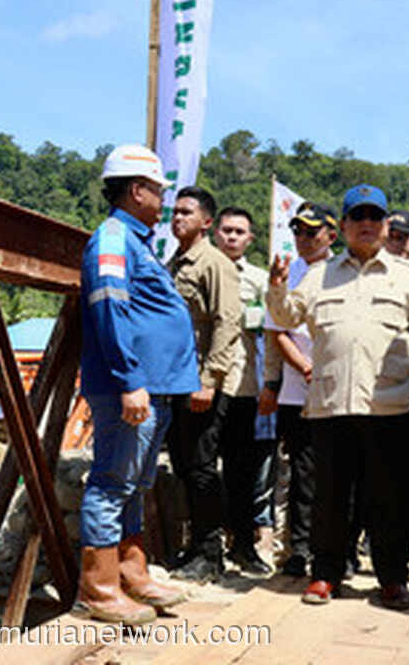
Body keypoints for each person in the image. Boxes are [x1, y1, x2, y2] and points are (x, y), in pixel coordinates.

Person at [268, 184, 409, 611]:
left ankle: (392, 579)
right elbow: (286, 316)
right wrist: (276, 287)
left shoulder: (408, 275)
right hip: (331, 404)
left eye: (374, 217)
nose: (366, 224)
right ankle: (326, 575)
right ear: (344, 226)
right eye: (358, 217)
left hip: (392, 405)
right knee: (329, 497)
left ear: (385, 225)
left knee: (390, 498)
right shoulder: (320, 274)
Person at [75, 143, 194, 624]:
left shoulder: (135, 241)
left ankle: (131, 573)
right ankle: (99, 589)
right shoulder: (112, 238)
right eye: (158, 192)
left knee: (135, 483)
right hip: (130, 385)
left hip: (151, 385)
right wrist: (129, 379)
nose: (164, 201)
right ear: (137, 190)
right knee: (111, 482)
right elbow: (108, 307)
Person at [166, 185, 245, 583]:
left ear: (206, 222)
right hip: (176, 380)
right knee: (184, 465)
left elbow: (227, 322)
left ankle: (211, 554)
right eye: (175, 211)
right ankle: (197, 546)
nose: (177, 218)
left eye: (186, 212)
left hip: (202, 380)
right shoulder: (173, 263)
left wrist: (209, 379)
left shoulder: (214, 263)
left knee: (201, 467)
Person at [260, 202, 336, 578]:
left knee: (336, 471)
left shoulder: (343, 271)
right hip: (297, 388)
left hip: (336, 387)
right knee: (301, 472)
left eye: (312, 232)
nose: (304, 238)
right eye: (298, 232)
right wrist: (303, 367)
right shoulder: (286, 273)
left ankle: (337, 549)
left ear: (331, 235)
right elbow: (277, 330)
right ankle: (299, 548)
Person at [211, 206, 274, 575]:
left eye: (239, 232)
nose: (232, 237)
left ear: (250, 238)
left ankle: (244, 546)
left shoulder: (260, 280)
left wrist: (271, 385)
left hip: (246, 385)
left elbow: (273, 332)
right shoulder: (201, 270)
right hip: (206, 385)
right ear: (215, 233)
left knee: (244, 472)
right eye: (227, 230)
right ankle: (207, 546)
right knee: (202, 468)